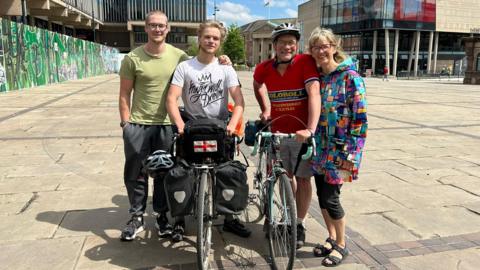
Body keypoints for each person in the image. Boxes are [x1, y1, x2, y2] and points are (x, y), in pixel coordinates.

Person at [166, 20, 250, 242]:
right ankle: (179, 220)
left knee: (227, 171)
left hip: (220, 128)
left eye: (216, 38)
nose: (211, 41)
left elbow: (239, 101)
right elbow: (172, 99)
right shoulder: (185, 67)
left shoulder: (225, 68)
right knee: (183, 172)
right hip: (191, 129)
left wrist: (232, 125)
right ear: (200, 38)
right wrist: (179, 125)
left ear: (219, 42)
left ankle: (230, 217)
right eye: (207, 37)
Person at [252, 22, 321, 249]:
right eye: (282, 42)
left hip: (301, 133)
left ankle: (298, 223)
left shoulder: (305, 62)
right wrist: (266, 109)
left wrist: (310, 129)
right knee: (284, 177)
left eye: (291, 42)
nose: (287, 46)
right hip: (277, 133)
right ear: (274, 45)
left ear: (297, 44)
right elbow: (257, 83)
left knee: (303, 179)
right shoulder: (264, 67)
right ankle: (288, 214)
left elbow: (313, 94)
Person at [307, 27, 367, 267]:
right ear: (311, 51)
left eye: (325, 46)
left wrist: (351, 153)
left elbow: (360, 118)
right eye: (316, 47)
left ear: (334, 47)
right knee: (322, 195)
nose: (321, 51)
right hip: (320, 147)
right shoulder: (318, 79)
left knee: (332, 197)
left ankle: (342, 244)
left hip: (343, 149)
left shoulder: (350, 77)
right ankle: (331, 237)